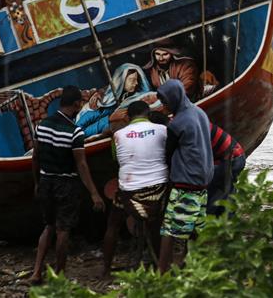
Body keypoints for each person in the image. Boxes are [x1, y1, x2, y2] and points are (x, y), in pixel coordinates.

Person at [30, 85, 105, 284]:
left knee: (48, 226)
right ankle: (59, 274)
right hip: (66, 184)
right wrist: (94, 193)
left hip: (46, 181)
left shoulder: (41, 126)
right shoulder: (75, 132)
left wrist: (37, 183)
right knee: (63, 231)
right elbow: (81, 164)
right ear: (76, 104)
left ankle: (37, 272)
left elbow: (35, 157)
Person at [101, 100, 169, 279]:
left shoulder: (118, 135)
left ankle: (105, 270)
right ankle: (161, 269)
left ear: (128, 117)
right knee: (156, 225)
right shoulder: (163, 130)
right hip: (158, 191)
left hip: (129, 194)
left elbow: (117, 159)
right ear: (149, 114)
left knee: (113, 225)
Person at [157, 80, 213, 273]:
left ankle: (162, 271)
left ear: (174, 98)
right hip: (203, 180)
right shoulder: (200, 113)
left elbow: (168, 154)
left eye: (165, 101)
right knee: (197, 227)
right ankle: (194, 266)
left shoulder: (178, 123)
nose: (164, 105)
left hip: (185, 182)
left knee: (170, 229)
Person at [76, 63, 162, 137]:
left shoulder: (141, 98)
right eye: (132, 80)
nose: (136, 83)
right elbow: (80, 130)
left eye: (137, 79)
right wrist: (109, 118)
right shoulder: (105, 102)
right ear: (121, 81)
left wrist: (110, 119)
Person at [206, 123, 246, 216]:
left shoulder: (186, 126)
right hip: (236, 155)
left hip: (229, 160)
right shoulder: (198, 119)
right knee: (228, 193)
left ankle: (212, 223)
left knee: (215, 196)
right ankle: (228, 223)